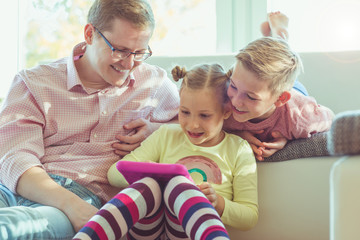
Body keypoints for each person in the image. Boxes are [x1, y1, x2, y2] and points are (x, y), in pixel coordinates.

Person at [0, 0, 180, 239]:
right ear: (89, 34)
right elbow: (14, 158)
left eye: (139, 53)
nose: (129, 64)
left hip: (79, 197)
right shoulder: (34, 83)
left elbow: (199, 126)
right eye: (120, 50)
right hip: (23, 187)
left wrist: (156, 130)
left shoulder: (154, 84)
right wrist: (72, 205)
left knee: (18, 229)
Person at [74, 63, 258, 239]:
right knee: (149, 185)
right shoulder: (166, 135)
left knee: (180, 185)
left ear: (226, 111)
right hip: (148, 231)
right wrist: (148, 172)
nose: (192, 124)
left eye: (204, 115)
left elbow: (249, 216)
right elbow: (114, 174)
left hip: (190, 233)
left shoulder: (238, 149)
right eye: (185, 112)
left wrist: (218, 203)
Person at [224, 13, 334, 161]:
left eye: (250, 96)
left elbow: (332, 120)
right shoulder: (223, 99)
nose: (236, 101)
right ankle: (275, 37)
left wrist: (289, 139)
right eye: (234, 86)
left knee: (286, 64)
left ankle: (281, 33)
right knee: (276, 63)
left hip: (296, 92)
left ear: (280, 99)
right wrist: (236, 136)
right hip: (269, 88)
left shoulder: (301, 117)